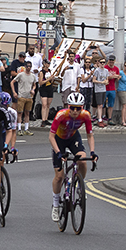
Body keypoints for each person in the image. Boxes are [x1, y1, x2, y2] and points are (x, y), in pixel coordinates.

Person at [48, 92, 96, 222]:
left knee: (82, 159)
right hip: (59, 140)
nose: (75, 111)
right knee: (59, 176)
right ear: (68, 106)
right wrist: (58, 152)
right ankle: (56, 205)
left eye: (78, 108)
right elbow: (51, 137)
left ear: (82, 107)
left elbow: (90, 135)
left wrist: (92, 152)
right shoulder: (61, 115)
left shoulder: (85, 115)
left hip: (73, 137)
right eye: (72, 108)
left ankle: (79, 184)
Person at [12, 62, 37, 133]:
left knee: (27, 113)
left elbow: (34, 84)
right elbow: (12, 82)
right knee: (20, 112)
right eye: (28, 66)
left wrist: (33, 89)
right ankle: (19, 128)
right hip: (21, 96)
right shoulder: (21, 75)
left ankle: (26, 129)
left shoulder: (32, 76)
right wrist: (14, 92)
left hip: (29, 97)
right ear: (25, 67)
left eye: (30, 66)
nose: (29, 67)